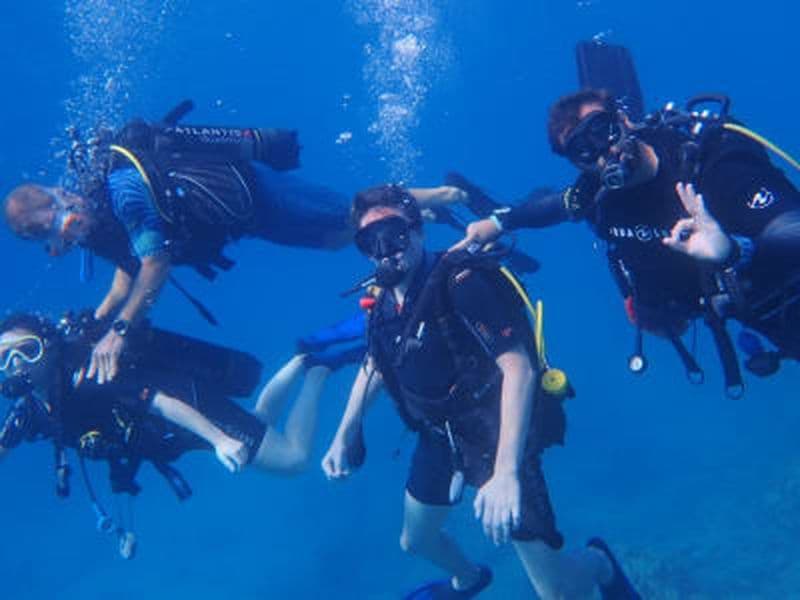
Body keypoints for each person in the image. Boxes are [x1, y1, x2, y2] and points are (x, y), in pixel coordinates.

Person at [321, 185, 639, 599]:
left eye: (393, 234)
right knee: (416, 541)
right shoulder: (381, 303)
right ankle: (469, 579)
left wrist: (505, 472)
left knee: (557, 593)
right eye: (370, 240)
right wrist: (345, 431)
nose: (385, 251)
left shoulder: (462, 283)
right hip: (440, 438)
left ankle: (598, 563)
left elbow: (518, 368)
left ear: (418, 231)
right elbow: (377, 363)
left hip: (495, 434)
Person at [2, 104, 467, 385]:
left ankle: (446, 194)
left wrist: (118, 331)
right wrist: (99, 320)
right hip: (242, 220)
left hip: (254, 190)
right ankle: (415, 215)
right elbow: (128, 268)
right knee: (333, 242)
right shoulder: (95, 225)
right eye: (56, 237)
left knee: (351, 213)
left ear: (63, 195)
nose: (70, 232)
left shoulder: (122, 192)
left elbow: (155, 264)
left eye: (65, 221)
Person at [453, 89, 800, 393]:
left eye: (602, 130)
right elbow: (555, 206)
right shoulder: (597, 197)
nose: (603, 151)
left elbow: (790, 226)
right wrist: (499, 222)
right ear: (576, 163)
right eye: (582, 150)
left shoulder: (709, 162)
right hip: (726, 306)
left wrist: (733, 250)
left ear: (624, 120)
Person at [0, 310, 346, 557]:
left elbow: (160, 403)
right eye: (3, 357)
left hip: (188, 408)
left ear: (49, 346)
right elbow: (113, 451)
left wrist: (220, 440)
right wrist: (127, 525)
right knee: (258, 424)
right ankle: (300, 359)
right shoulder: (31, 413)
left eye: (27, 350)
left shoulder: (92, 377)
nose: (16, 363)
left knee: (292, 460)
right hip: (171, 436)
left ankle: (317, 372)